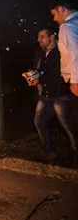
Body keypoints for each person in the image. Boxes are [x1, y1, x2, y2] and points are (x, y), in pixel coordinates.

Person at [23, 28, 76, 162]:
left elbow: (59, 74)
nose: (39, 39)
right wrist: (32, 75)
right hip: (46, 95)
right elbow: (41, 71)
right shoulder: (41, 53)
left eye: (42, 37)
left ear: (52, 37)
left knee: (69, 127)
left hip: (61, 95)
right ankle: (50, 152)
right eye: (38, 36)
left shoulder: (60, 52)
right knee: (40, 122)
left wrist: (39, 79)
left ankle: (75, 154)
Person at [50, 0, 78, 137]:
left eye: (54, 14)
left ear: (61, 9)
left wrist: (75, 82)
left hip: (77, 83)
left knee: (75, 126)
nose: (54, 19)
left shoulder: (67, 27)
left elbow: (75, 54)